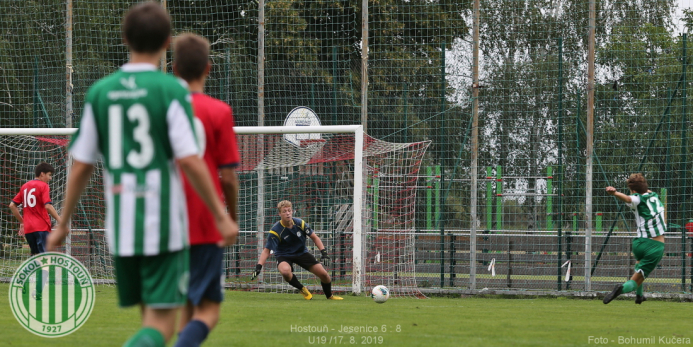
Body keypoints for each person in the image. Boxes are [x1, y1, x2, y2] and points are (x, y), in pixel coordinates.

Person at [46, 3, 238, 347]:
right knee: (162, 327)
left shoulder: (100, 92)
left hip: (121, 227)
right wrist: (220, 216)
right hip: (164, 225)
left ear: (124, 38)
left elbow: (81, 164)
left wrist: (63, 223)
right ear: (167, 42)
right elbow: (191, 160)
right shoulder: (171, 91)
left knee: (149, 322)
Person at [172, 33, 240, 347]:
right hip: (203, 220)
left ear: (174, 68)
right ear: (208, 69)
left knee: (185, 306)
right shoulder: (218, 112)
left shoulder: (164, 110)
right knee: (209, 311)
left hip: (166, 219)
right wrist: (231, 217)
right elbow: (228, 177)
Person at [251, 200, 343, 300]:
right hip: (284, 255)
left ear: (292, 211)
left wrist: (324, 253)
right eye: (284, 211)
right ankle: (302, 288)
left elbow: (315, 237)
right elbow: (266, 250)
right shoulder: (275, 231)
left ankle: (329, 296)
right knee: (285, 272)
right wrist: (258, 267)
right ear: (280, 214)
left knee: (324, 274)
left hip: (301, 253)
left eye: (289, 210)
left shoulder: (300, 223)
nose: (287, 213)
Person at [603, 173, 666, 305]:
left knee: (639, 266)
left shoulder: (637, 198)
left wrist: (614, 193)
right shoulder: (653, 195)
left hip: (639, 243)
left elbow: (628, 198)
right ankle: (621, 289)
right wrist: (618, 192)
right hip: (654, 246)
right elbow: (631, 196)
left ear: (634, 191)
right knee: (636, 279)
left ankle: (639, 296)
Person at [10, 162, 61, 256]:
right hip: (41, 227)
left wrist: (22, 222)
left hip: (29, 229)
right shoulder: (43, 186)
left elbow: (12, 205)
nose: (50, 178)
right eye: (49, 175)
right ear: (42, 173)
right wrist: (60, 220)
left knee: (35, 258)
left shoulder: (25, 186)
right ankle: (45, 271)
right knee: (45, 257)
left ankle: (37, 271)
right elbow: (48, 206)